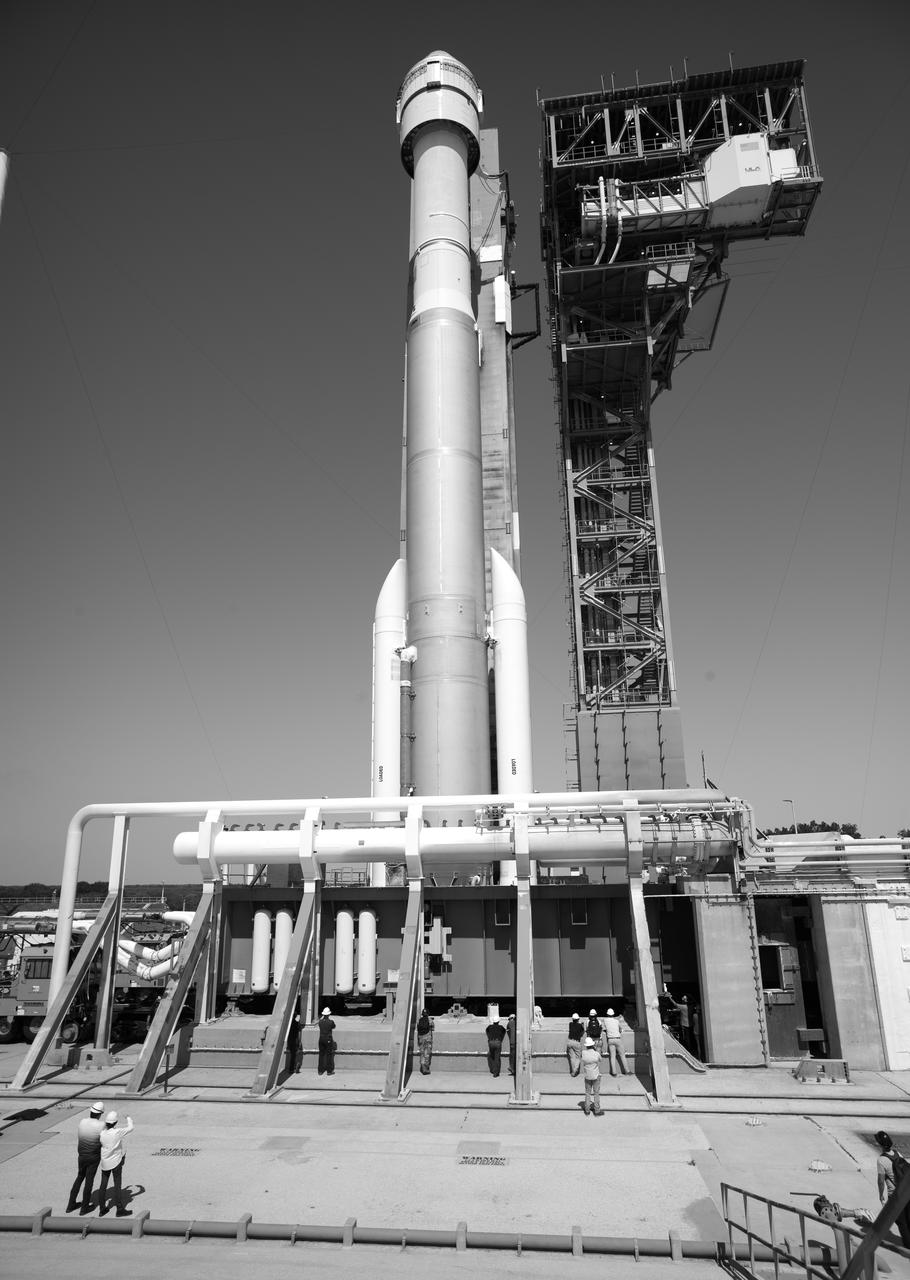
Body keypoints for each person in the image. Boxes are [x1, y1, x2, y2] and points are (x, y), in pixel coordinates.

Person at [66, 1101, 106, 1214]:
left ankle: (70, 1205)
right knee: (89, 1181)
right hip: (93, 1157)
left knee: (79, 1177)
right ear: (100, 1114)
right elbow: (105, 1140)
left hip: (81, 1156)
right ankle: (84, 1208)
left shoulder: (82, 1121)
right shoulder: (101, 1125)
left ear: (91, 1111)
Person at [874, 1130, 910, 1246]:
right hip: (906, 1191)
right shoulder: (897, 1153)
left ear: (880, 1145)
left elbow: (881, 1181)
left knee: (902, 1222)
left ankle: (908, 1247)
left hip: (895, 1196)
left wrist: (880, 1194)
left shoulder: (881, 1160)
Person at [98, 1111, 133, 1217]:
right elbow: (130, 1128)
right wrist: (128, 1117)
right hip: (116, 1162)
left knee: (103, 1185)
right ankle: (119, 1209)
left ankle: (102, 1208)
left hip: (105, 1161)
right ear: (115, 1122)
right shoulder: (117, 1132)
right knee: (117, 1185)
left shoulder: (102, 1133)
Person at [581, 1036, 603, 1116]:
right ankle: (597, 1111)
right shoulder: (596, 1053)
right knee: (596, 1093)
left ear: (586, 1045)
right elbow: (600, 1059)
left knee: (587, 1093)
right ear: (592, 1045)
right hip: (596, 1075)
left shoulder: (583, 1053)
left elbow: (583, 1059)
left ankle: (587, 1110)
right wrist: (596, 1049)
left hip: (587, 1076)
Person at [603, 1007, 628, 1076]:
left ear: (607, 1014)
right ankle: (627, 1071)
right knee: (622, 1055)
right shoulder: (616, 1021)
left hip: (610, 1040)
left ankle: (614, 1073)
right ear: (613, 1014)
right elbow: (620, 1029)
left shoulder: (605, 1020)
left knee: (612, 1056)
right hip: (617, 1039)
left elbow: (604, 1029)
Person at [317, 1006, 336, 1075]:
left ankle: (320, 1070)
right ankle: (329, 1071)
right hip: (328, 1039)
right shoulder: (331, 1022)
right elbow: (334, 1026)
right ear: (328, 1014)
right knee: (329, 1055)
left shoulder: (320, 1022)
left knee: (321, 1055)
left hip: (321, 1039)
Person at [566, 1013, 584, 1077]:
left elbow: (574, 1025)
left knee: (572, 1058)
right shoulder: (580, 1026)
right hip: (576, 1042)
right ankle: (575, 1070)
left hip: (570, 1041)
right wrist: (582, 1025)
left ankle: (573, 1071)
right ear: (578, 1019)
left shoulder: (570, 1024)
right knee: (578, 1057)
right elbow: (582, 1031)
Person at [417, 1008, 434, 1074]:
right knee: (427, 1053)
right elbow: (433, 1028)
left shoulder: (419, 1020)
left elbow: (418, 1029)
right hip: (427, 1038)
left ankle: (422, 1066)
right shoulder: (430, 1020)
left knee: (422, 1053)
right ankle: (425, 1068)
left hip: (420, 1038)